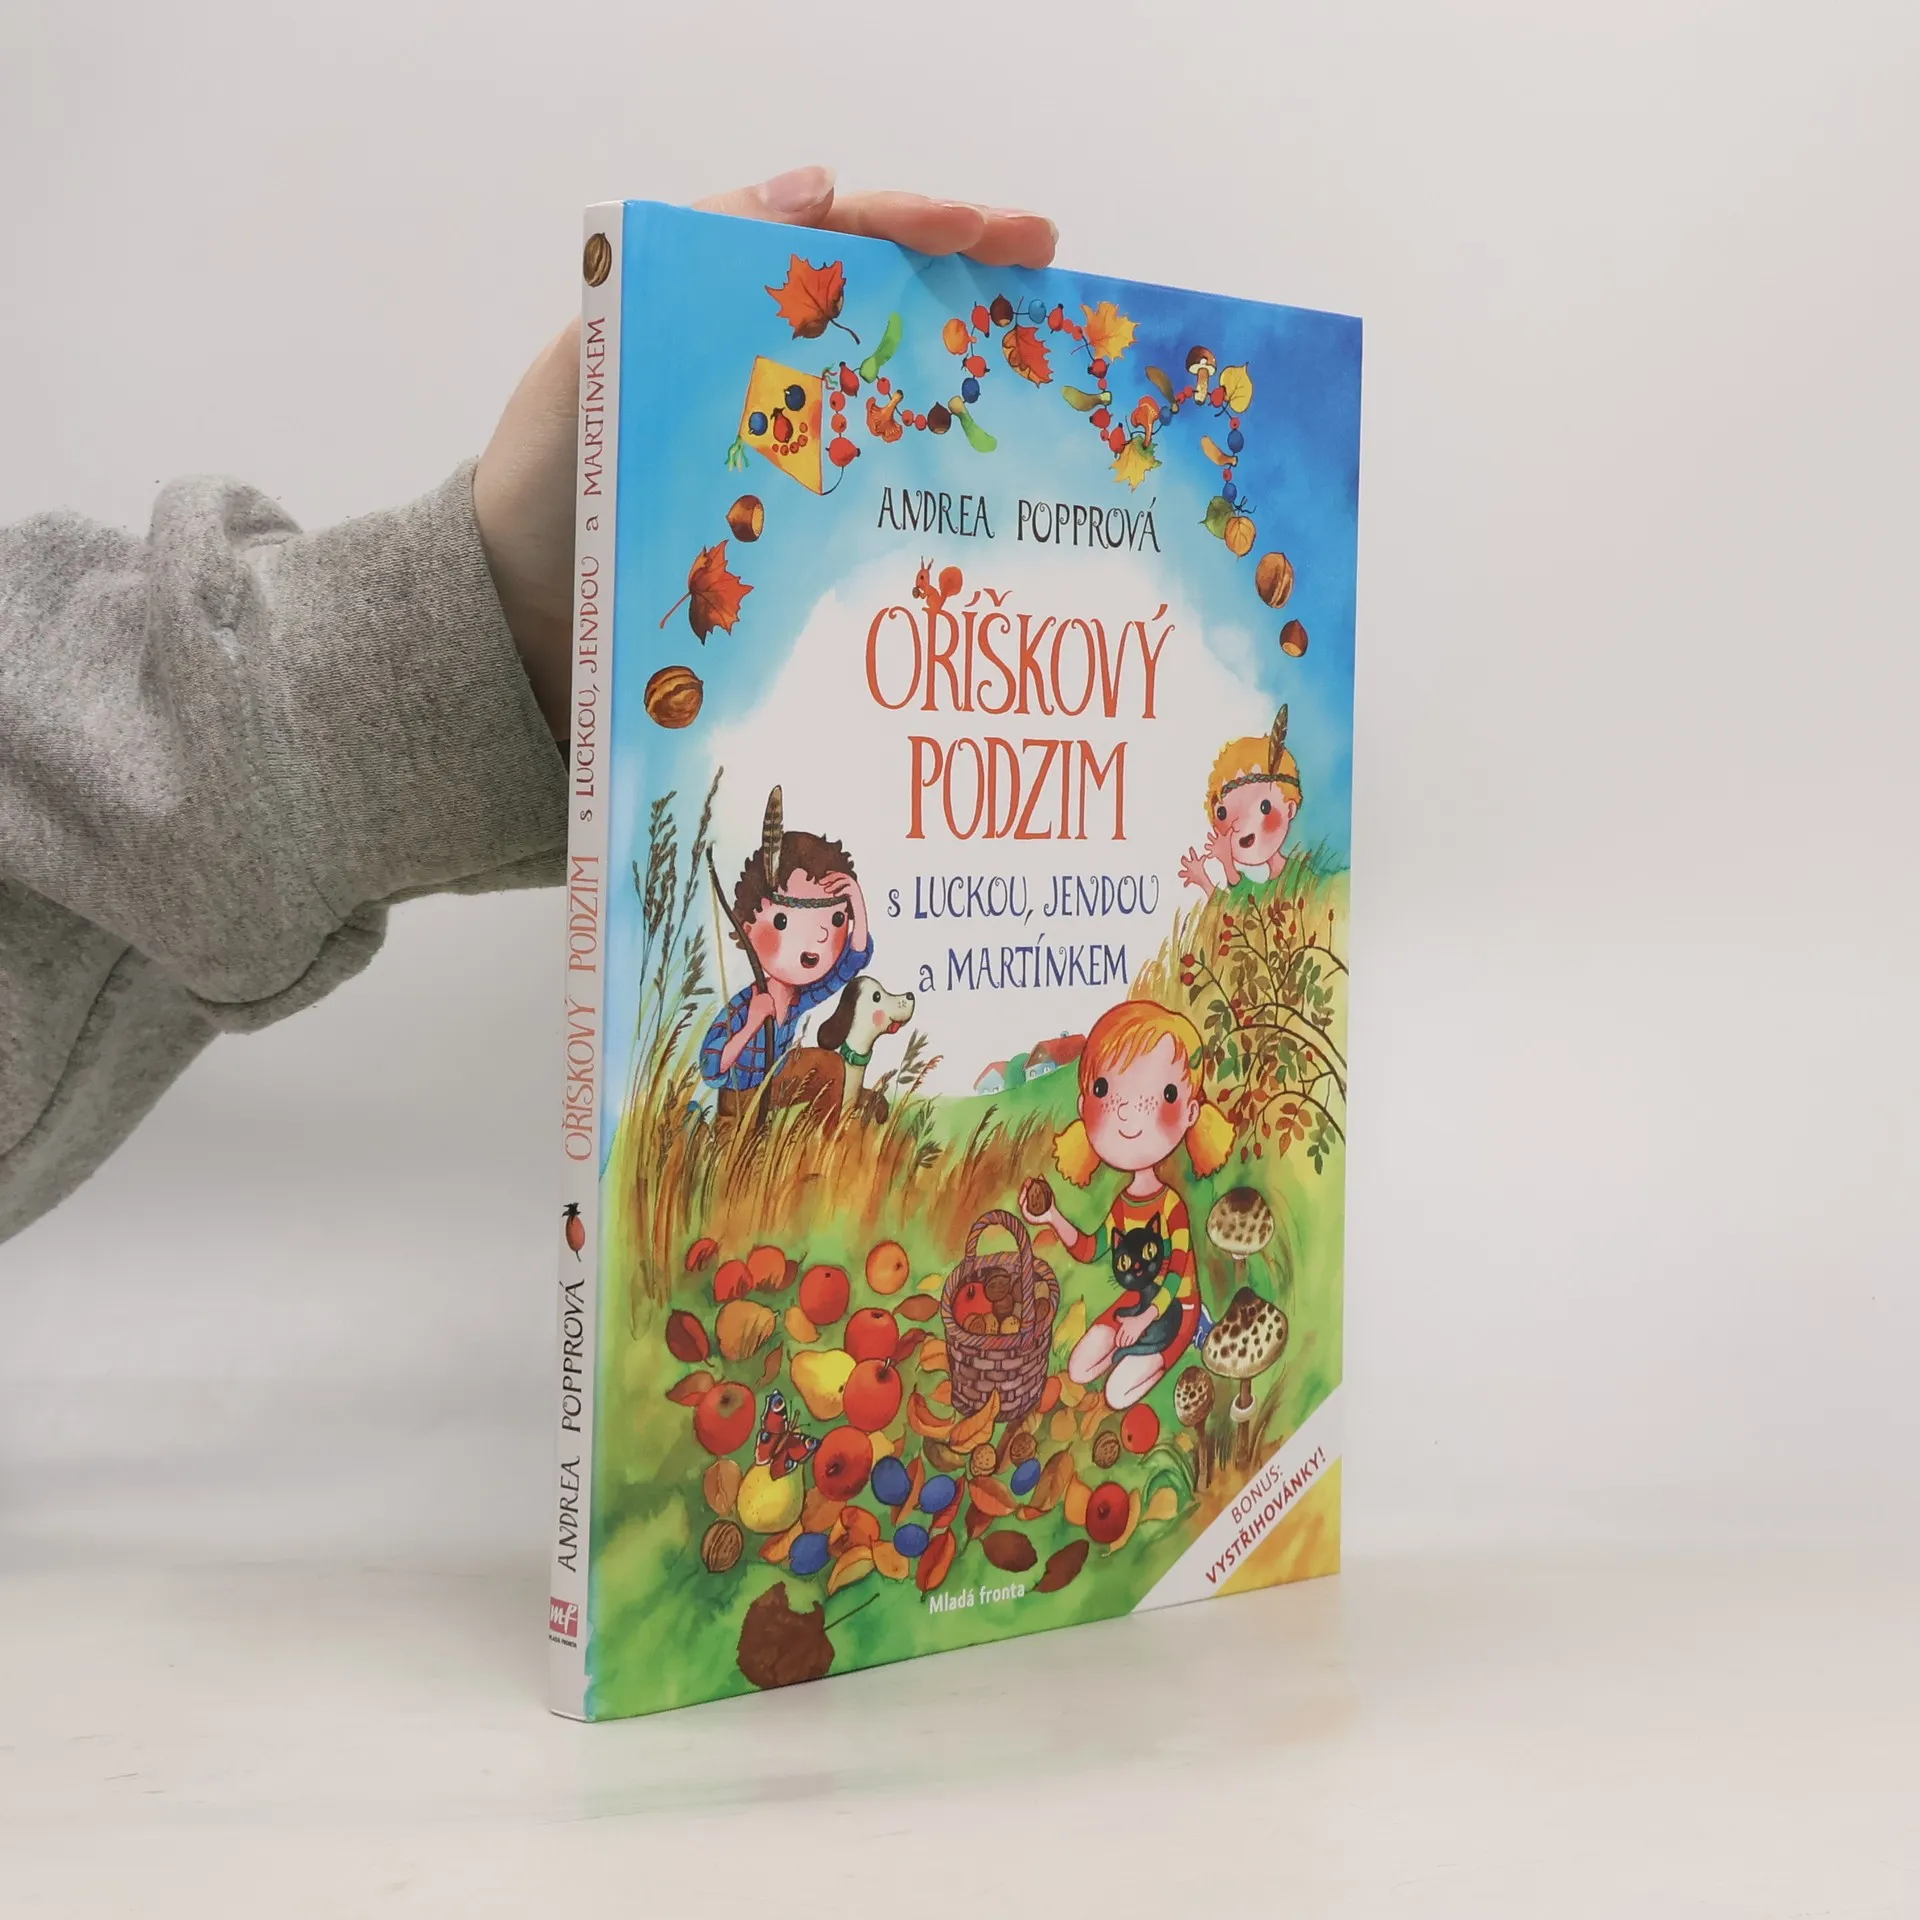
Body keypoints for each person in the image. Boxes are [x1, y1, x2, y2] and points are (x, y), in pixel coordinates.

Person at [0, 169, 1057, 1242]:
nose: (809, 940)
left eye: (816, 924)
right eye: (789, 923)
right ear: (752, 930)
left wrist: (506, 616)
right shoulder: (750, 1007)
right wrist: (483, 630)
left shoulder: (825, 986)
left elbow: (860, 953)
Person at [1019, 999, 1235, 1411]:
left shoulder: (1171, 1207)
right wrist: (1051, 1216)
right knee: (1079, 1368)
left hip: (1176, 1307)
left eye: (1163, 1095)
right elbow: (1090, 1249)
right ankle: (1127, 1353)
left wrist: (1142, 1321)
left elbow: (1176, 1276)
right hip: (1136, 1302)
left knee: (1116, 1395)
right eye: (1104, 1090)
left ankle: (1188, 1334)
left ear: (1190, 1111)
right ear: (1084, 1106)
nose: (1127, 1112)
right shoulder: (1122, 1205)